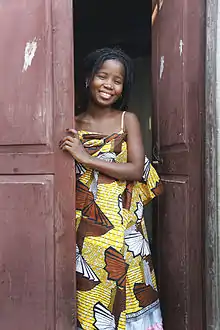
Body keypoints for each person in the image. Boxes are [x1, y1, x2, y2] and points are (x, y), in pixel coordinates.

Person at [59, 47, 163, 330]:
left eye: (117, 81)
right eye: (102, 76)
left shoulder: (126, 119)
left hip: (123, 223)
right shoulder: (70, 123)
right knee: (90, 290)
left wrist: (86, 157)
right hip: (84, 224)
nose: (108, 85)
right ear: (88, 78)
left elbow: (134, 169)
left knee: (128, 288)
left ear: (123, 88)